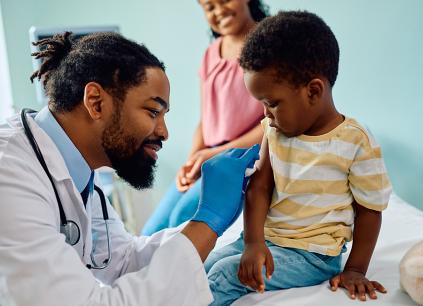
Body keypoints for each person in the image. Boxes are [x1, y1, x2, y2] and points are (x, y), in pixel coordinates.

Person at [0, 31, 260, 306]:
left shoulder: (77, 170)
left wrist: (219, 230)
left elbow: (124, 259)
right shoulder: (10, 174)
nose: (163, 132)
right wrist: (209, 219)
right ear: (96, 102)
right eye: (152, 112)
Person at [203, 11, 393, 305]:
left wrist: (355, 269)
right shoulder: (273, 132)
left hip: (312, 255)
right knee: (203, 265)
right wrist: (253, 243)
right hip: (265, 240)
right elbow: (259, 188)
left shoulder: (355, 141)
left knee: (228, 275)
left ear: (313, 91)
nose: (265, 114)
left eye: (272, 104)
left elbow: (370, 210)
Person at [141, 0, 269, 235]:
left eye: (224, 1)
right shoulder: (211, 53)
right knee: (151, 231)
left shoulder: (269, 45)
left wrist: (213, 154)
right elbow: (206, 118)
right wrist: (192, 162)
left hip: (244, 156)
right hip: (209, 156)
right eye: (209, 7)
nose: (219, 10)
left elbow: (272, 124)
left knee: (182, 219)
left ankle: (179, 271)